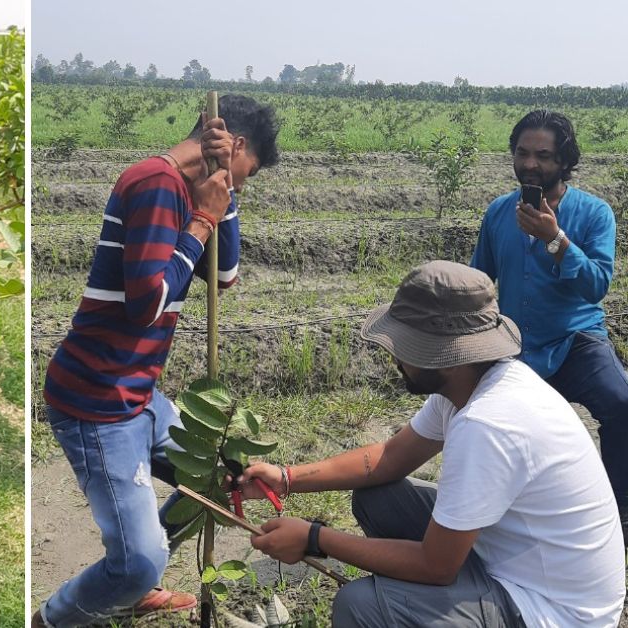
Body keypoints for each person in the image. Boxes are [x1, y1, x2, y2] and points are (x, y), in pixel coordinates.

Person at [241, 260, 624, 627]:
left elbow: (436, 566)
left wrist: (313, 538)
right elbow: (391, 457)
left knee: (360, 607)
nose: (394, 355)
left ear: (448, 357)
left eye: (406, 345)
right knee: (378, 497)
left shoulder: (486, 423)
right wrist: (286, 478)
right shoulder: (471, 384)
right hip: (518, 562)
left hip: (552, 611)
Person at [34, 94, 280, 628]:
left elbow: (223, 277)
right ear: (234, 146)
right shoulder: (154, 185)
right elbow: (146, 303)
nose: (244, 182)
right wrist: (201, 223)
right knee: (142, 560)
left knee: (219, 477)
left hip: (139, 394)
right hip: (98, 401)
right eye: (247, 171)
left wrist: (223, 201)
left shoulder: (190, 191)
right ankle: (60, 615)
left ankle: (128, 581)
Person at [469, 109, 628, 540]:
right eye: (522, 153)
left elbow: (595, 286)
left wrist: (555, 241)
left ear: (564, 160)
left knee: (622, 403)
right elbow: (480, 281)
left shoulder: (595, 214)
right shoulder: (499, 213)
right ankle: (495, 516)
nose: (530, 164)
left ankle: (619, 520)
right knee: (483, 422)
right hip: (515, 345)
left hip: (575, 339)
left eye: (543, 155)